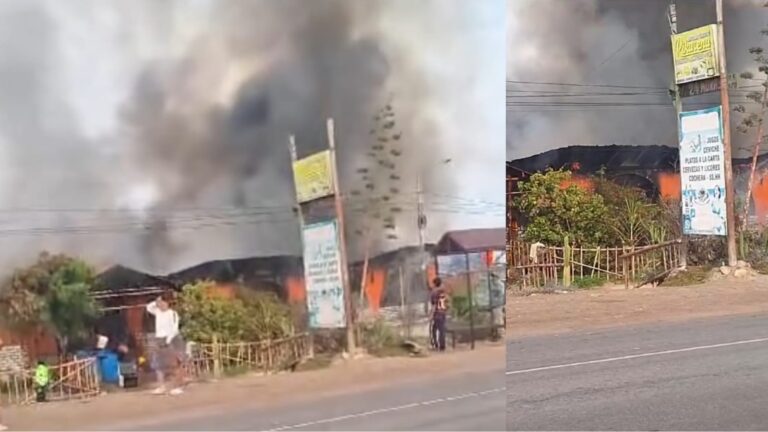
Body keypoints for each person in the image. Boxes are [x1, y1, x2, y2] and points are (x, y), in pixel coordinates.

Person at [146, 295, 186, 396]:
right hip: (159, 338)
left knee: (175, 364)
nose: (160, 305)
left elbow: (174, 329)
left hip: (171, 339)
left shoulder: (172, 314)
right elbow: (148, 307)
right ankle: (161, 387)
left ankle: (178, 386)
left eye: (162, 302)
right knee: (158, 364)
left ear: (167, 303)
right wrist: (156, 302)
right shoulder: (157, 312)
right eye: (159, 303)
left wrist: (168, 341)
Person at [429, 277, 448, 352]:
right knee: (441, 330)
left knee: (434, 330)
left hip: (437, 313)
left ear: (435, 284)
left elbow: (434, 305)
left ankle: (436, 344)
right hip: (443, 312)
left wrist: (431, 314)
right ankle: (442, 346)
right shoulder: (443, 291)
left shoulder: (434, 292)